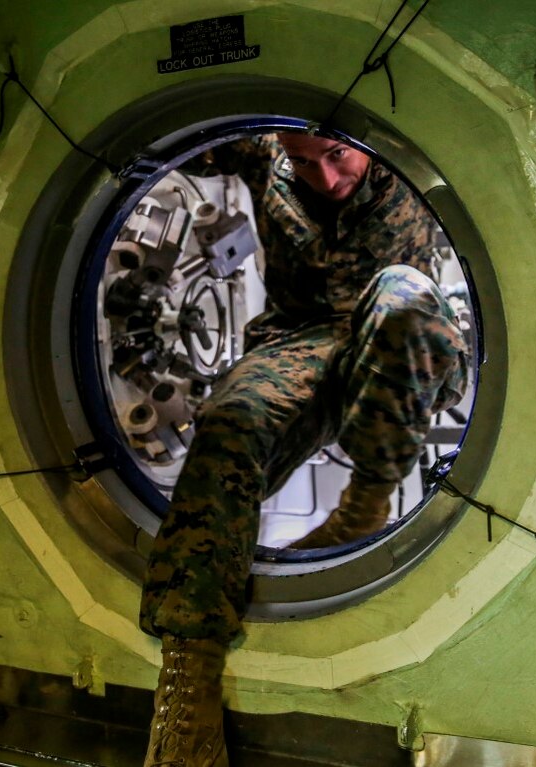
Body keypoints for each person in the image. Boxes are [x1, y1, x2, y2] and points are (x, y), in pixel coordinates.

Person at [138, 131, 469, 767]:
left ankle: (363, 509)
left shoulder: (411, 147)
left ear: (360, 141)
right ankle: (188, 677)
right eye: (304, 161)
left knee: (400, 289)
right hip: (302, 343)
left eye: (337, 155)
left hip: (400, 338)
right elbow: (174, 132)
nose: (325, 178)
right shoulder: (266, 152)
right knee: (228, 423)